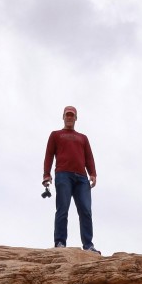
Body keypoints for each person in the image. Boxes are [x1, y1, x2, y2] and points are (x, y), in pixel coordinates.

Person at [43, 106, 99, 254]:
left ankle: (88, 245)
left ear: (75, 118)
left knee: (86, 211)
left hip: (82, 178)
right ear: (63, 117)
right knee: (62, 209)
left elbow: (89, 157)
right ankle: (60, 242)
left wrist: (92, 173)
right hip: (63, 175)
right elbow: (49, 155)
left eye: (72, 115)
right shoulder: (56, 135)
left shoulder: (83, 138)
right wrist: (46, 174)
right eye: (67, 115)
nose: (69, 117)